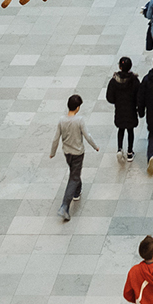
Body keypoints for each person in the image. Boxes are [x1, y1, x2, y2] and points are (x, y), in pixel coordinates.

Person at [51, 93, 101, 221]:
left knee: (74, 172)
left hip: (67, 153)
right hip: (78, 153)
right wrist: (95, 146)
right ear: (77, 107)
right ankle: (64, 206)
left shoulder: (62, 120)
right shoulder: (79, 120)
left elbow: (56, 138)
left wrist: (53, 152)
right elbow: (87, 135)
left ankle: (77, 192)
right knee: (74, 177)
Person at [106, 57, 142, 159]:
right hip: (131, 109)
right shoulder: (134, 80)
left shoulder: (114, 81)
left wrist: (116, 101)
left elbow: (109, 97)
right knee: (130, 131)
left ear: (120, 67)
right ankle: (130, 152)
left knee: (120, 129)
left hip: (120, 109)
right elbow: (139, 96)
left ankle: (119, 148)